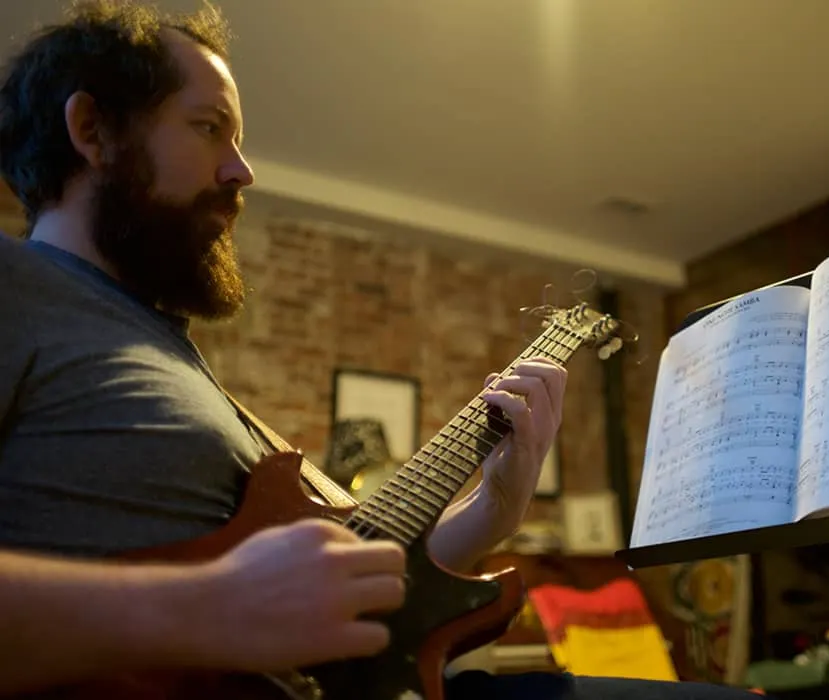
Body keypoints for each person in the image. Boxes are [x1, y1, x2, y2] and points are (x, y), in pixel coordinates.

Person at [0, 2, 761, 698]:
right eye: (208, 128)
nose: (242, 170)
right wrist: (205, 604)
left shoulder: (166, 353)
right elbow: (242, 601)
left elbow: (364, 567)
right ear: (92, 130)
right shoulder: (19, 287)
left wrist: (496, 504)